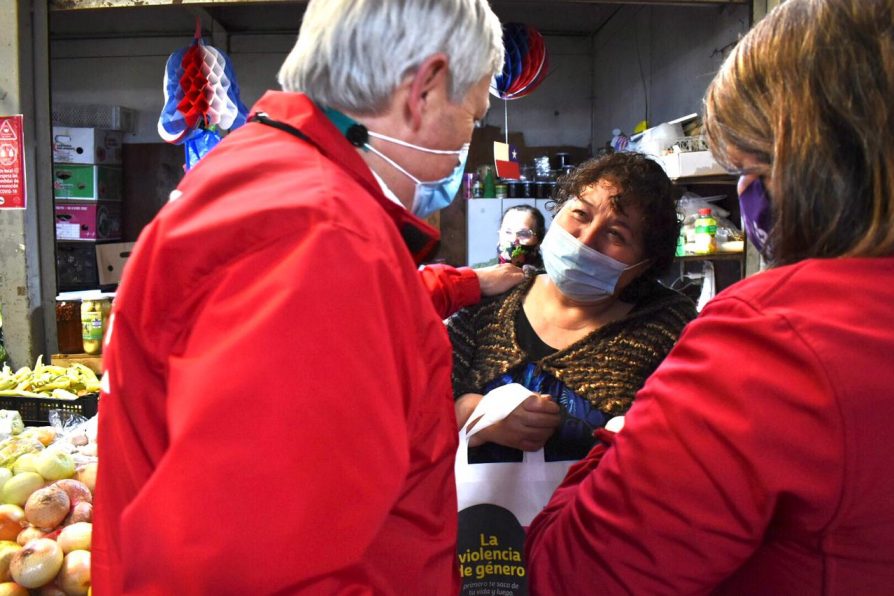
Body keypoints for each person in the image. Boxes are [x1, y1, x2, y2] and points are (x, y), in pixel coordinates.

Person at [91, 1, 503, 593]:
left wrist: (462, 283)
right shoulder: (320, 233)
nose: (468, 140)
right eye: (473, 115)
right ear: (425, 90)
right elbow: (249, 569)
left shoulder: (265, 174)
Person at [525, 0, 894, 593]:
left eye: (752, 167)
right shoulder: (486, 307)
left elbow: (575, 574)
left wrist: (622, 437)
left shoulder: (765, 338)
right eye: (576, 216)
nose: (746, 192)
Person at [449, 152, 696, 463]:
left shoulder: (668, 328)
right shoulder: (487, 301)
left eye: (616, 234)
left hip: (600, 510)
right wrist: (478, 416)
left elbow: (689, 446)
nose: (586, 239)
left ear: (644, 264)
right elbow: (416, 411)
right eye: (581, 213)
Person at [497, 204, 546, 271]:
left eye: (523, 234)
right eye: (508, 232)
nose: (514, 239)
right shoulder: (484, 272)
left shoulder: (550, 275)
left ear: (539, 239)